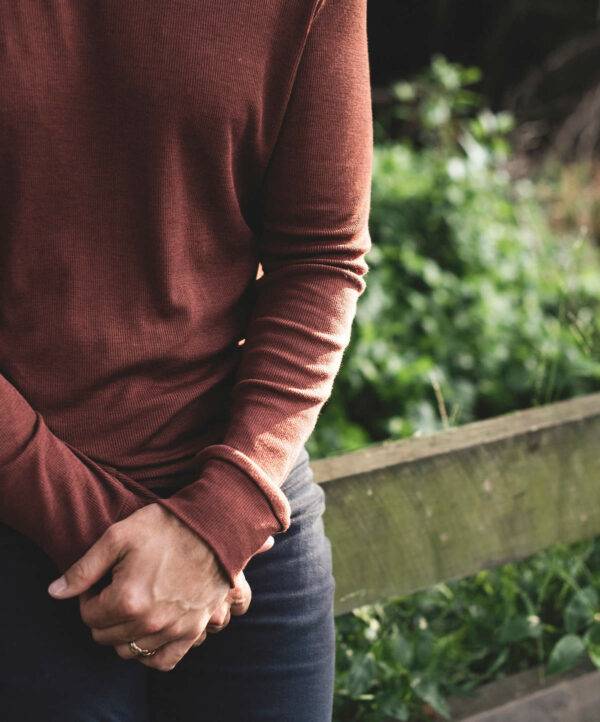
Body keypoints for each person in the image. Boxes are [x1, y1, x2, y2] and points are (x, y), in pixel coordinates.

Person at [0, 0, 373, 719]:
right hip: (20, 532)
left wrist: (223, 519)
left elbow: (320, 257)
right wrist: (107, 536)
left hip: (244, 539)